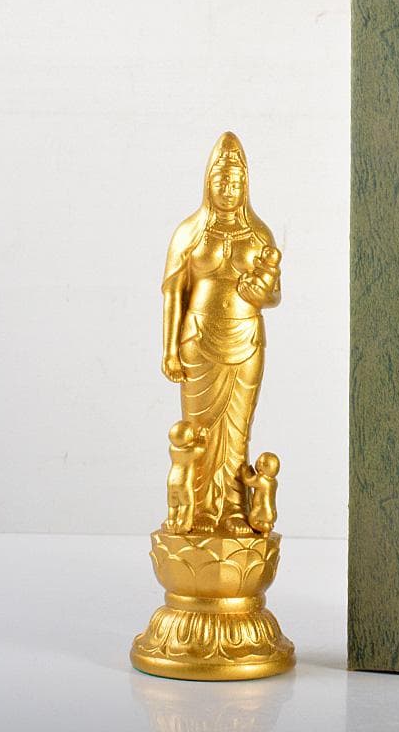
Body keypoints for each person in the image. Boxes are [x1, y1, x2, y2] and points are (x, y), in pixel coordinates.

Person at [161, 132, 281, 534]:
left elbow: (274, 294)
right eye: (221, 181)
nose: (228, 190)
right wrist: (169, 350)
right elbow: (173, 293)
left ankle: (232, 508)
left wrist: (261, 292)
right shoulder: (190, 232)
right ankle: (197, 510)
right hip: (198, 339)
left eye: (236, 182)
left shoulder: (259, 234)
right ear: (207, 182)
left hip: (246, 340)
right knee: (198, 430)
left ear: (246, 185)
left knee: (237, 429)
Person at [163, 421, 205, 534]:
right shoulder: (190, 451)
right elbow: (202, 449)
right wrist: (202, 438)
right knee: (186, 504)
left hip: (171, 481)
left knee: (173, 505)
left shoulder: (172, 449)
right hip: (183, 483)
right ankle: (184, 524)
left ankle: (171, 522)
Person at [240, 452, 280, 537]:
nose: (258, 464)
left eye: (261, 463)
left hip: (260, 511)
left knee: (253, 521)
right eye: (258, 461)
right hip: (272, 512)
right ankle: (268, 527)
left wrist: (243, 472)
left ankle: (265, 529)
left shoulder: (261, 479)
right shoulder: (274, 482)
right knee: (266, 521)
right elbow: (255, 480)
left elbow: (247, 481)